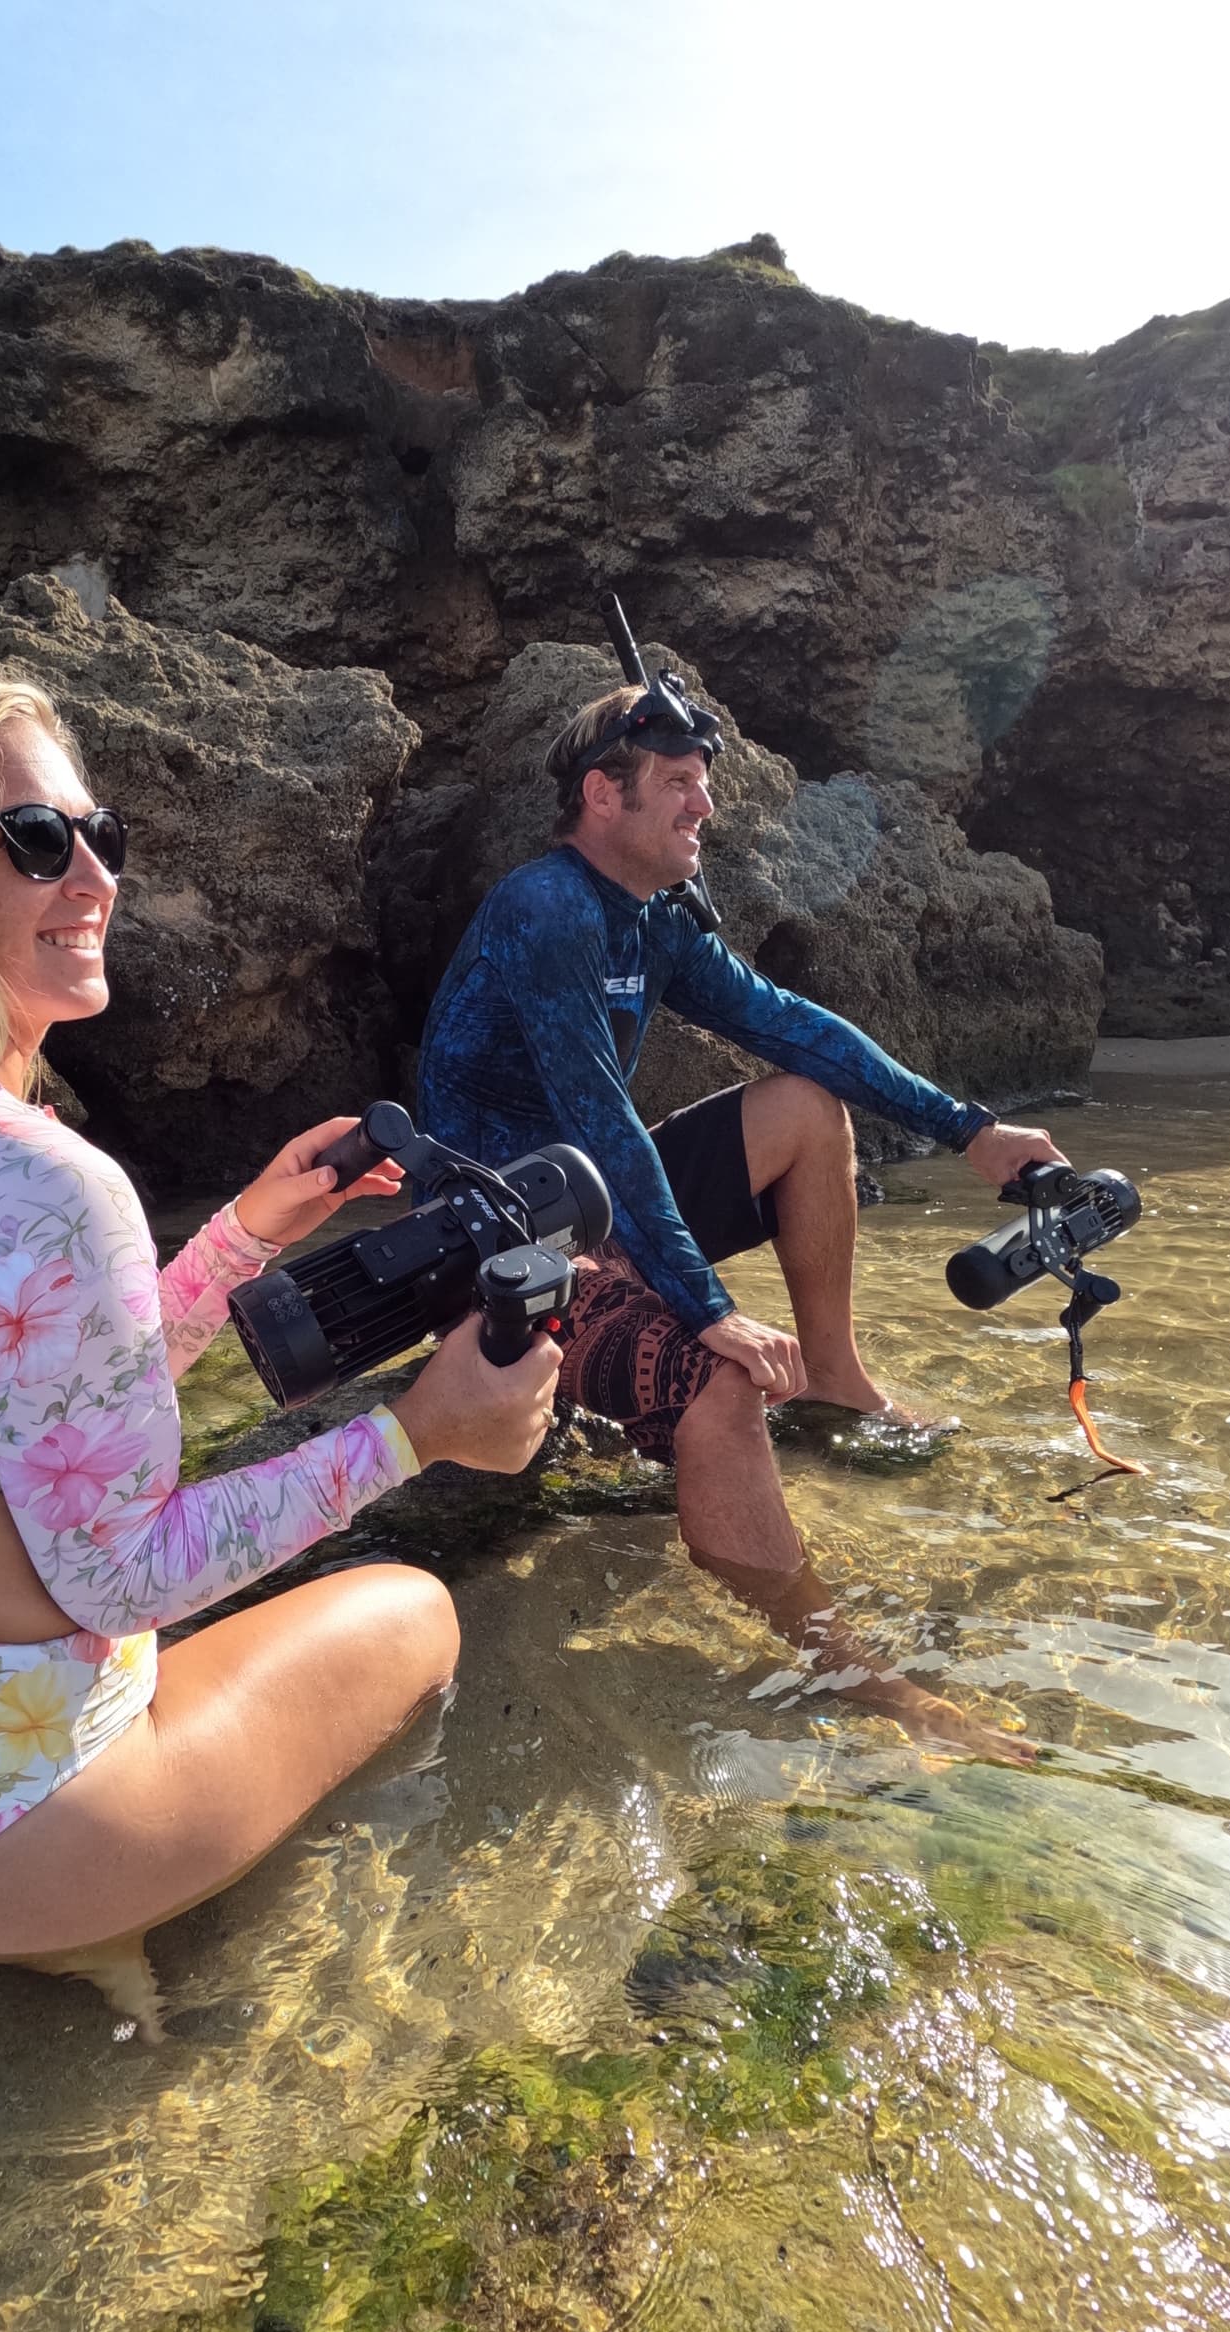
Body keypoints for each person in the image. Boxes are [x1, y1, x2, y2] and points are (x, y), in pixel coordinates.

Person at [0, 665, 561, 2037]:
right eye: (38, 839)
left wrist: (238, 1240)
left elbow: (40, 1418)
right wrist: (420, 1432)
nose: (95, 873)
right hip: (34, 1850)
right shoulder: (46, 1182)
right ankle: (122, 1947)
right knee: (416, 1612)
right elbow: (121, 1571)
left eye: (107, 836)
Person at [417, 675, 1062, 1755]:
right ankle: (853, 1671)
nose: (705, 806)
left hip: (592, 1199)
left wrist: (972, 1130)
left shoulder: (654, 920)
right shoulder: (545, 908)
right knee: (722, 1377)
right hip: (499, 1241)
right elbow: (600, 1118)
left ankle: (841, 1385)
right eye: (678, 783)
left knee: (807, 1109)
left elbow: (795, 1028)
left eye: (702, 784)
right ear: (601, 795)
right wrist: (706, 1306)